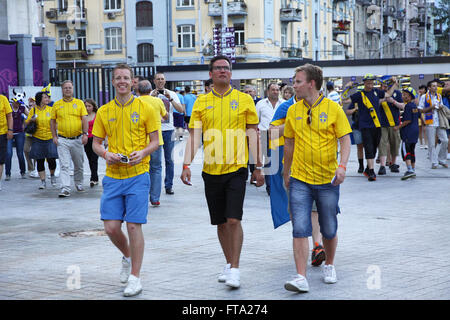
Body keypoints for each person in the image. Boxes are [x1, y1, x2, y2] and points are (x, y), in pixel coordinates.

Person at [181, 55, 264, 289]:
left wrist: (258, 167)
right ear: (210, 74)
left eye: (226, 68)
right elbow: (194, 136)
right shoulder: (200, 102)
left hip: (237, 168)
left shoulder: (244, 100)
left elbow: (253, 134)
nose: (222, 71)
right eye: (217, 68)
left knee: (233, 219)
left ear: (231, 73)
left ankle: (235, 269)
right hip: (211, 170)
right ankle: (228, 263)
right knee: (220, 223)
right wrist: (186, 165)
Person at [282, 63, 351, 293]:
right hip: (300, 179)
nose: (294, 85)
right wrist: (286, 171)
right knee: (299, 227)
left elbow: (345, 139)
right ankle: (301, 276)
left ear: (311, 83)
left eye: (298, 81)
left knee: (329, 228)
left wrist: (342, 166)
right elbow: (289, 143)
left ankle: (329, 264)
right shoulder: (293, 110)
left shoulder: (334, 109)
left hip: (327, 180)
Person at [92, 63, 160, 297]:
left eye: (126, 78)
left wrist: (142, 153)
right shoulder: (104, 111)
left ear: (133, 82)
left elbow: (155, 141)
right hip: (112, 176)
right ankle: (128, 256)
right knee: (111, 228)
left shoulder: (146, 107)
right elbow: (96, 143)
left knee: (133, 225)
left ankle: (135, 277)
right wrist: (105, 153)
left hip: (138, 174)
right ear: (112, 82)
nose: (122, 81)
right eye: (118, 77)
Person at [269, 81, 326, 267]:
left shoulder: (324, 105)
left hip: (318, 166)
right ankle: (302, 243)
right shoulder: (285, 107)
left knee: (316, 208)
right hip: (294, 167)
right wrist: (294, 124)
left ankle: (317, 246)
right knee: (297, 209)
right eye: (296, 83)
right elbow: (272, 133)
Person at [51, 80, 89, 197]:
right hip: (63, 139)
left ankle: (79, 183)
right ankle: (65, 187)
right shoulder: (56, 104)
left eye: (69, 88)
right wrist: (54, 136)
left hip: (77, 138)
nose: (67, 90)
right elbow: (52, 121)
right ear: (62, 90)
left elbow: (84, 119)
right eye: (65, 88)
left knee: (79, 163)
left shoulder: (79, 103)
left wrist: (85, 134)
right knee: (64, 165)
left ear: (73, 89)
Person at [348, 74, 386, 181]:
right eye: (368, 82)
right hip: (365, 126)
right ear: (364, 83)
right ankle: (372, 172)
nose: (370, 84)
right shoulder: (359, 95)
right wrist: (347, 87)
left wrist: (394, 84)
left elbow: (387, 94)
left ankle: (368, 169)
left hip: (377, 125)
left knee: (374, 148)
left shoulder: (376, 92)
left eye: (372, 82)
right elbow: (344, 99)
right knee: (368, 147)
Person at [151, 72, 185, 195]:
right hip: (155, 130)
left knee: (169, 160)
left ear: (165, 81)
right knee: (155, 161)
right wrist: (153, 98)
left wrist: (170, 99)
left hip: (169, 130)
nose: (160, 81)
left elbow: (181, 110)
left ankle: (168, 185)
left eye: (162, 79)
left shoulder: (172, 94)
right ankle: (155, 187)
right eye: (158, 79)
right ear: (154, 81)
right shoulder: (150, 94)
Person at [137, 79, 168, 206]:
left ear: (137, 90)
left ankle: (142, 196)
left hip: (139, 142)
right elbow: (166, 116)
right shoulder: (157, 101)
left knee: (140, 169)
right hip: (155, 141)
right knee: (156, 169)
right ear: (151, 90)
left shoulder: (134, 102)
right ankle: (155, 198)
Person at [255, 82, 283, 195]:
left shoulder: (284, 104)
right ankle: (270, 187)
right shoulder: (261, 104)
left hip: (280, 136)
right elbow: (256, 121)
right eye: (273, 89)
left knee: (280, 162)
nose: (275, 92)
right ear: (268, 91)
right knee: (268, 162)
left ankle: (279, 186)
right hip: (265, 135)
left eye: (277, 90)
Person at [26, 92, 58, 190]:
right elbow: (27, 122)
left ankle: (52, 175)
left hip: (49, 137)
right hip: (37, 138)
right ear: (40, 99)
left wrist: (55, 135)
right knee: (39, 160)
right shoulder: (33, 110)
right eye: (45, 97)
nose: (47, 99)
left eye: (47, 97)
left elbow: (56, 122)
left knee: (51, 159)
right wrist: (31, 120)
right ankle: (43, 181)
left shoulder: (51, 109)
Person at [418, 80, 448, 169]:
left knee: (445, 140)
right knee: (431, 144)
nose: (436, 87)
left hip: (439, 121)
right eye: (434, 86)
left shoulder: (439, 96)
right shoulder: (424, 97)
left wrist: (441, 106)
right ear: (429, 88)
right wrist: (431, 107)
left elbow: (441, 105)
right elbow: (420, 110)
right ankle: (434, 162)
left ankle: (441, 159)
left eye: (436, 86)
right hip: (429, 122)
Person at [377, 78, 404, 175]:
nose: (385, 86)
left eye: (387, 84)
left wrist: (393, 102)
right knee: (382, 144)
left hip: (394, 124)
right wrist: (383, 99)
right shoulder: (379, 93)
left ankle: (393, 163)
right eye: (383, 85)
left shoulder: (397, 93)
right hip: (382, 124)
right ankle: (382, 166)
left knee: (395, 143)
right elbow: (374, 104)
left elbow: (403, 106)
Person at [399, 87, 420, 180]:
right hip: (415, 132)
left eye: (404, 95)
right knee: (412, 150)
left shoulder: (407, 106)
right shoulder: (414, 106)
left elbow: (407, 120)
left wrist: (397, 127)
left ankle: (409, 170)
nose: (402, 96)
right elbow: (418, 116)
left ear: (409, 96)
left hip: (408, 132)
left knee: (405, 150)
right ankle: (413, 169)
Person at [5, 98, 28, 180]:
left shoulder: (22, 108)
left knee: (20, 153)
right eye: (17, 102)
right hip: (9, 132)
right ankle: (8, 173)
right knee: (8, 153)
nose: (18, 104)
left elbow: (28, 116)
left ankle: (23, 172)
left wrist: (24, 125)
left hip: (19, 133)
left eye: (19, 102)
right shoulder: (8, 107)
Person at [83, 99, 99, 187]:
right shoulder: (83, 116)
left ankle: (93, 178)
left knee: (94, 158)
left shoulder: (97, 115)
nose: (87, 108)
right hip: (86, 139)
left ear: (93, 106)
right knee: (90, 159)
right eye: (86, 106)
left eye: (89, 106)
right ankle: (94, 176)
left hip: (95, 138)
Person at [0, 94, 13, 191]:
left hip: (2, 133)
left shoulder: (3, 99)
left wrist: (10, 130)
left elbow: (9, 116)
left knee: (0, 160)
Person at [24, 97, 38, 178]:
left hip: (36, 134)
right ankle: (31, 168)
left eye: (33, 102)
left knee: (36, 151)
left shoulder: (38, 110)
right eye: (30, 102)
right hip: (28, 134)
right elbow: (25, 122)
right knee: (26, 150)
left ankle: (36, 169)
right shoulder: (27, 111)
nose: (31, 103)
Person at [417, 85, 428, 149]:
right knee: (420, 129)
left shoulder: (427, 96)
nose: (421, 90)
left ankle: (426, 143)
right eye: (420, 89)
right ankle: (421, 143)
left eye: (422, 89)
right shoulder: (418, 96)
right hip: (419, 113)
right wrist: (418, 96)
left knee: (425, 129)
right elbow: (417, 104)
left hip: (425, 113)